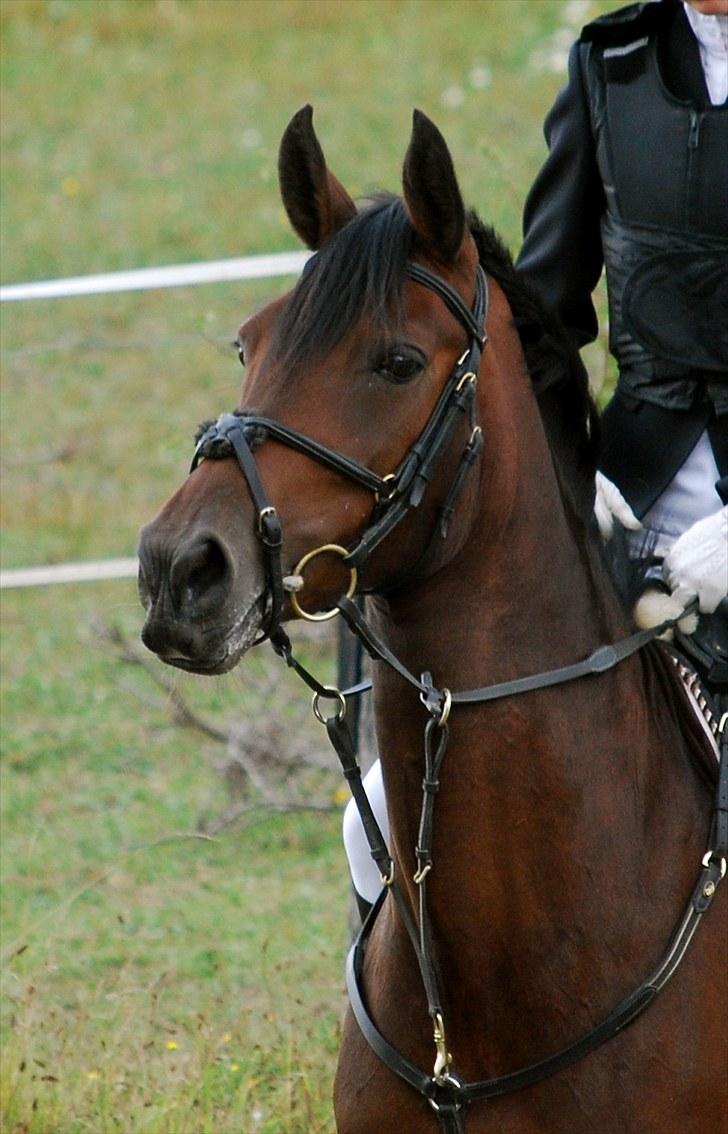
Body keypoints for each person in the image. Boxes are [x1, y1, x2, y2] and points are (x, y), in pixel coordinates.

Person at [343, 0, 728, 911]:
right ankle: (417, 1042)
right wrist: (567, 475)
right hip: (633, 489)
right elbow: (541, 316)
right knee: (374, 824)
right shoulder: (612, 61)